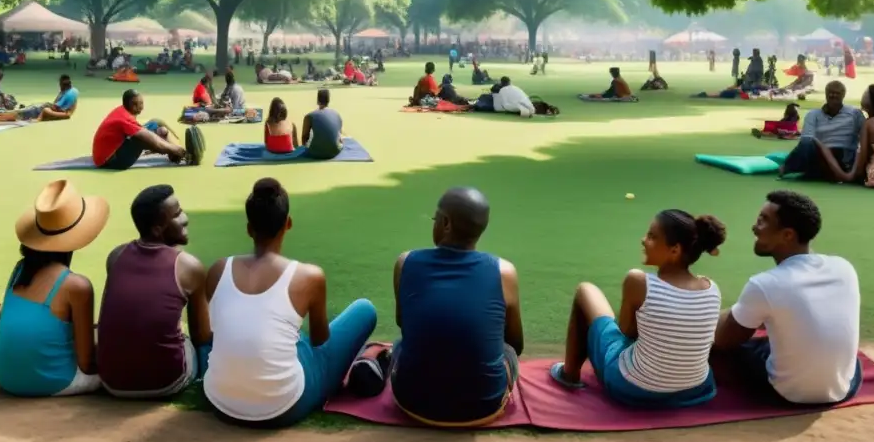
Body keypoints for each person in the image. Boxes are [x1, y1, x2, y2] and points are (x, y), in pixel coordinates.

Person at [203, 178, 377, 426]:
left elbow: (217, 331)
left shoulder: (219, 269)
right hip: (284, 406)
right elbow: (320, 341)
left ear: (249, 228)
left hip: (220, 401)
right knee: (364, 310)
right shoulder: (309, 276)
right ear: (288, 224)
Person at [551, 210, 726, 408]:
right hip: (696, 390)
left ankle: (569, 374)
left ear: (675, 250)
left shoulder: (639, 281)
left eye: (652, 237)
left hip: (634, 390)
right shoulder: (712, 289)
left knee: (586, 291)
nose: (643, 240)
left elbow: (626, 332)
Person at [714, 191, 861, 405]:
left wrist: (707, 312)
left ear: (787, 235)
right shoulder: (844, 268)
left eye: (763, 221)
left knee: (723, 352)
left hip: (785, 394)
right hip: (842, 390)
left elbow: (724, 339)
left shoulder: (765, 284)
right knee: (850, 360)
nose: (754, 227)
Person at [390, 188, 523, 426]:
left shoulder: (405, 262)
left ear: (446, 223)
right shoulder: (504, 272)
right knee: (508, 353)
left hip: (412, 403)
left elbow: (403, 322)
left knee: (400, 344)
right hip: (484, 407)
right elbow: (515, 343)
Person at [0, 180, 109, 397]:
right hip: (54, 382)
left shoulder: (20, 269)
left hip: (7, 379)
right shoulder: (77, 286)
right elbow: (86, 364)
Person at [98, 185, 212, 398]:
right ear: (157, 229)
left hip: (111, 381)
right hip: (167, 382)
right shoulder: (188, 267)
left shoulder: (116, 256)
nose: (185, 218)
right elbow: (202, 336)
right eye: (177, 215)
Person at [92, 89, 202, 169]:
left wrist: (162, 135)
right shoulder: (125, 118)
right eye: (138, 104)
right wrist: (176, 150)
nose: (141, 107)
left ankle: (175, 152)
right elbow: (150, 138)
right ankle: (182, 154)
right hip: (110, 160)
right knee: (144, 138)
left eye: (142, 103)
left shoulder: (122, 110)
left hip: (115, 149)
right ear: (131, 105)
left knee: (156, 124)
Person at [778, 81, 864, 180]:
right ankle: (789, 167)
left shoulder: (854, 113)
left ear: (843, 95)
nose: (833, 95)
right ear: (826, 94)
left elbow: (864, 136)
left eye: (837, 93)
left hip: (845, 155)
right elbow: (807, 139)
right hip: (820, 153)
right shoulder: (813, 114)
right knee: (806, 142)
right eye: (830, 92)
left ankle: (805, 169)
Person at [301, 89, 344, 160]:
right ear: (328, 100)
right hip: (335, 152)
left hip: (315, 153)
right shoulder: (337, 114)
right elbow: (339, 136)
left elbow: (304, 137)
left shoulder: (309, 116)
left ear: (317, 101)